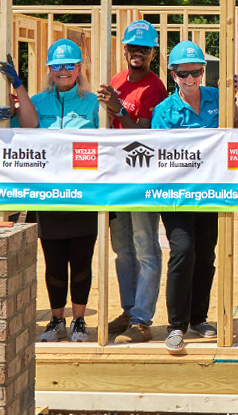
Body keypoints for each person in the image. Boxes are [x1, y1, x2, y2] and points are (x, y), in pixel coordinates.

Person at [96, 21, 168, 343]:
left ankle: (141, 319)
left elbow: (146, 134)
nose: (137, 53)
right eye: (132, 48)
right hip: (116, 177)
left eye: (144, 49)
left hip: (143, 177)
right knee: (122, 248)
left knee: (145, 246)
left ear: (153, 53)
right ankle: (129, 310)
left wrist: (118, 107)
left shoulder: (156, 87)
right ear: (124, 50)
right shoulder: (116, 81)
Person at [152, 41, 225, 353]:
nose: (191, 79)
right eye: (184, 73)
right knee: (183, 251)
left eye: (196, 72)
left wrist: (232, 100)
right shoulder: (164, 112)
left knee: (206, 253)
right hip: (178, 194)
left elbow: (236, 132)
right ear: (173, 74)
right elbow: (159, 155)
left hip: (211, 191)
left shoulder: (217, 99)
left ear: (203, 71)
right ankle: (176, 325)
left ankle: (199, 318)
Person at [28, 39, 99, 343]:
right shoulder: (37, 102)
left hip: (83, 194)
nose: (63, 71)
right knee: (54, 261)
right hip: (48, 195)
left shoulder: (93, 103)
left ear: (79, 68)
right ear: (49, 69)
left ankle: (79, 321)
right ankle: (56, 321)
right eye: (57, 65)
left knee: (81, 261)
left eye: (70, 65)